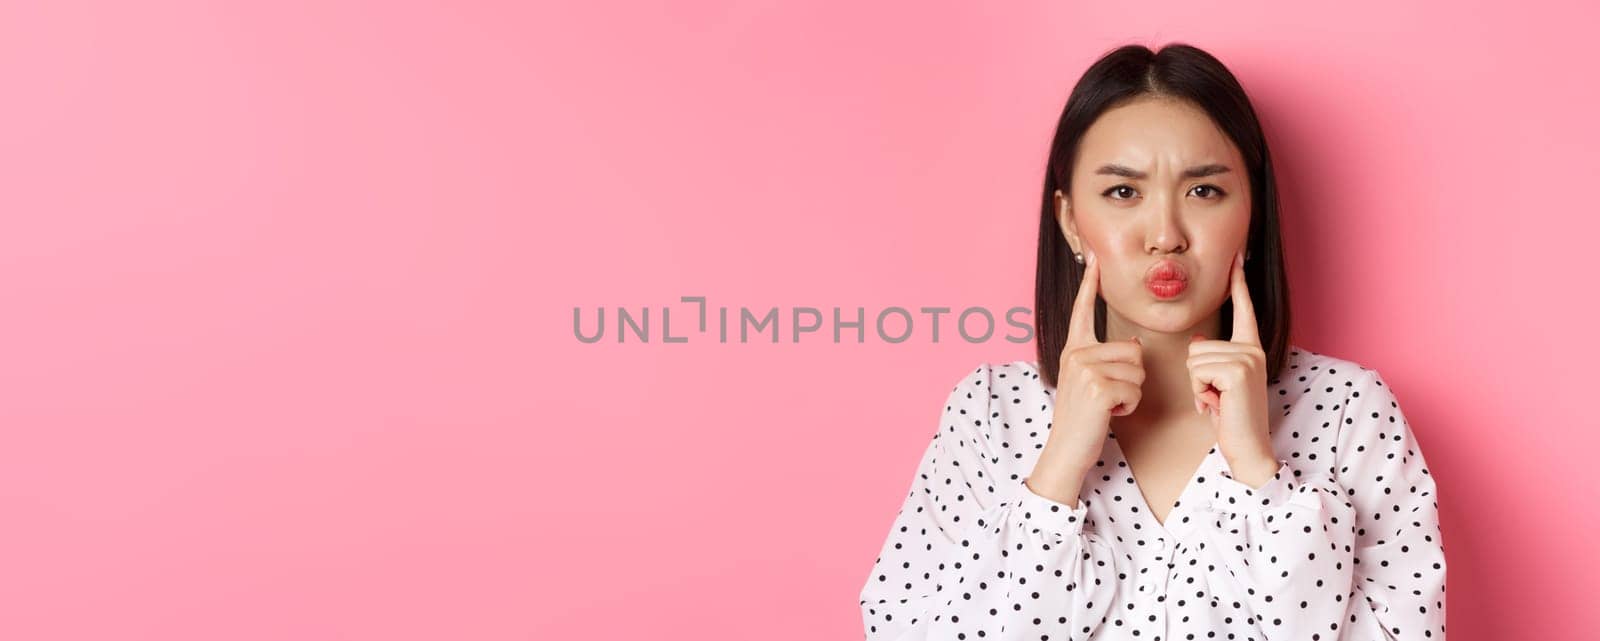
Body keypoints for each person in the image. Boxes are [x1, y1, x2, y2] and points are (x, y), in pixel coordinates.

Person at [858, 43, 1447, 641]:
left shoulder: (1347, 409)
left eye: (1204, 192)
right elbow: (902, 627)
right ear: (1068, 221)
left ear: (1253, 214)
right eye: (1123, 193)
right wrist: (1058, 469)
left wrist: (1259, 474)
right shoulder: (989, 412)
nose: (1165, 235)